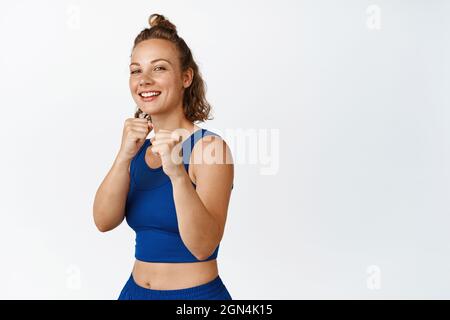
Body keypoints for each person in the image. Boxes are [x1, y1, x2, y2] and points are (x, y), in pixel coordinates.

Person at [92, 13, 234, 300]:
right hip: (133, 292)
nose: (144, 80)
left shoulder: (209, 149)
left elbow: (203, 245)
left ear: (186, 77)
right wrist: (123, 157)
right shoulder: (137, 149)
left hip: (194, 298)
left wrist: (177, 173)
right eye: (136, 70)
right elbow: (103, 222)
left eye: (159, 68)